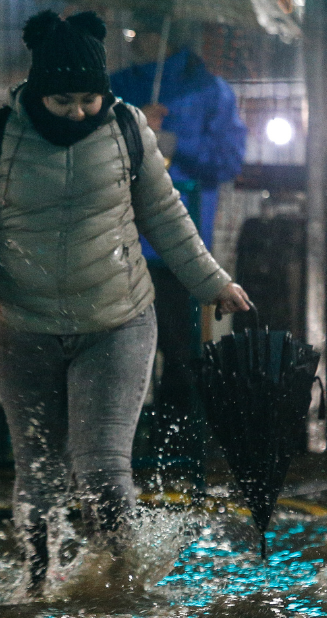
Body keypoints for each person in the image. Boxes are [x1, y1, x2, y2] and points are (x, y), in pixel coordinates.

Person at [0, 10, 250, 595]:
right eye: (63, 101)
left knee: (103, 468)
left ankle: (120, 586)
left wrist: (212, 282)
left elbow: (164, 214)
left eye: (88, 100)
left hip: (117, 319)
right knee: (39, 473)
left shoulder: (127, 127)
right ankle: (35, 587)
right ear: (37, 92)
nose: (78, 112)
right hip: (22, 325)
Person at [109, 16, 248, 470]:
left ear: (163, 34)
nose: (132, 41)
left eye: (139, 33)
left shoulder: (209, 92)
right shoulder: (118, 87)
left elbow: (227, 160)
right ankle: (128, 454)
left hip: (173, 248)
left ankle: (173, 454)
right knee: (121, 356)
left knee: (180, 354)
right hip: (124, 241)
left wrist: (170, 140)